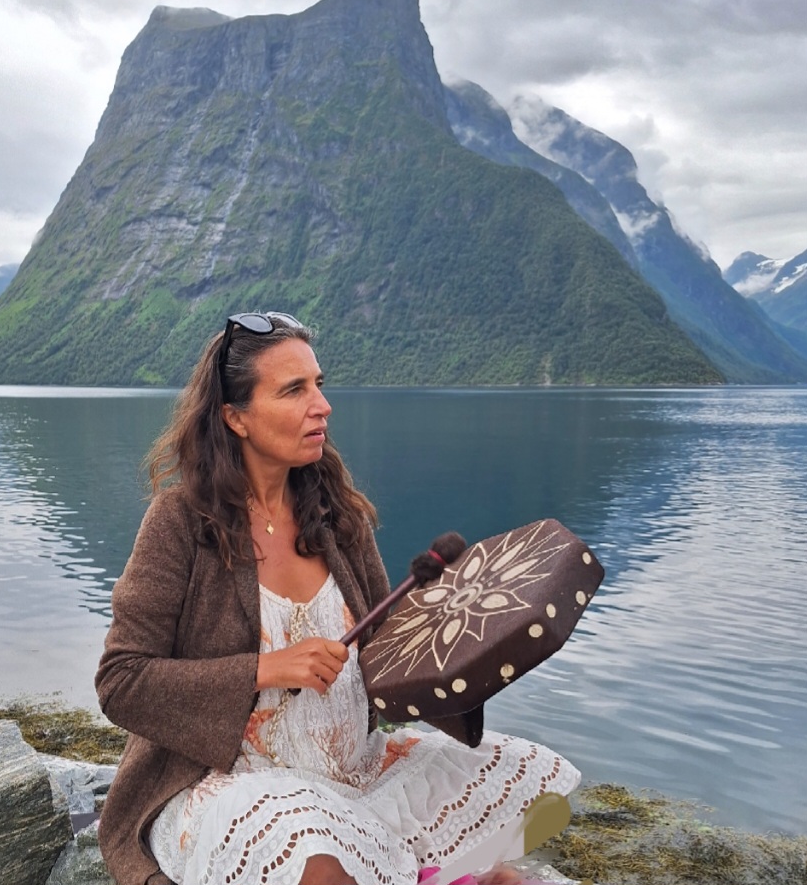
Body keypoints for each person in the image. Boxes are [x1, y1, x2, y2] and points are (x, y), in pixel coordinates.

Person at [94, 312, 581, 885]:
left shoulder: (336, 516)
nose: (322, 406)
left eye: (319, 385)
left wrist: (464, 638)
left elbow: (389, 659)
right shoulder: (179, 521)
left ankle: (427, 869)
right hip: (227, 782)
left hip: (357, 773)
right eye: (294, 390)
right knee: (314, 856)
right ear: (234, 417)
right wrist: (265, 669)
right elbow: (120, 681)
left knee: (532, 794)